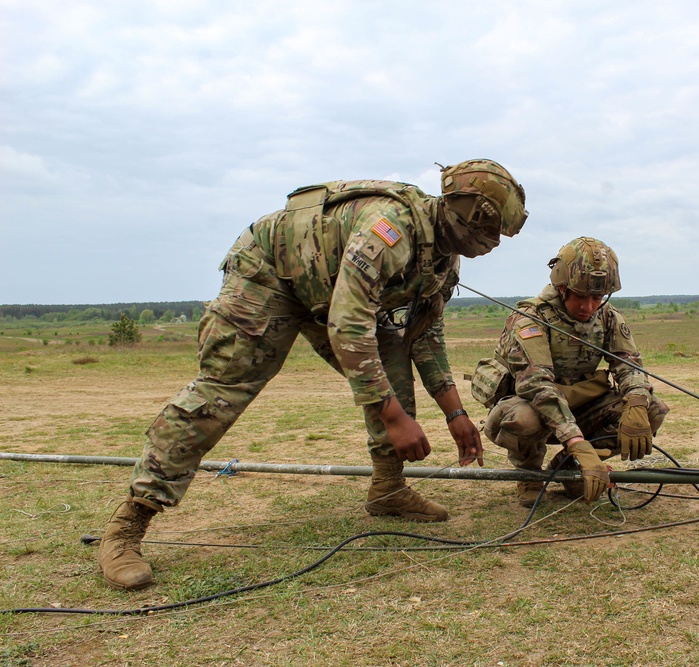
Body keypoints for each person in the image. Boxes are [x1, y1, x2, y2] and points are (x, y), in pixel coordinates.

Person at [98, 159, 528, 590]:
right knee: (225, 389)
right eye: (489, 232)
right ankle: (129, 523)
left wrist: (455, 413)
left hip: (327, 292)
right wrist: (394, 418)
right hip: (269, 275)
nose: (493, 244)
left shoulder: (442, 257)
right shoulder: (389, 229)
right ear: (463, 212)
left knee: (391, 360)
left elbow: (423, 332)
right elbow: (349, 326)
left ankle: (388, 490)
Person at [472, 237, 668, 507]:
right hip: (534, 408)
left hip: (581, 406)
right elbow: (537, 386)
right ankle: (530, 473)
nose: (588, 307)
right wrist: (575, 440)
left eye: (597, 298)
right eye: (581, 297)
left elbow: (629, 364)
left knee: (651, 410)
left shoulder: (608, 317)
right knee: (523, 419)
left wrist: (636, 400)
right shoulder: (531, 318)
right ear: (562, 288)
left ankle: (570, 467)